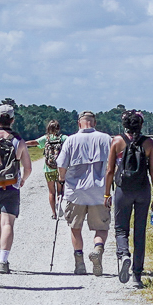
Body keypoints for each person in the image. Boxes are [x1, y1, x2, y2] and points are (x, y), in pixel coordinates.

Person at [105, 110, 153, 289]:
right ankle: (137, 276)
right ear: (141, 125)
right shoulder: (149, 143)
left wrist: (107, 194)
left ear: (125, 125)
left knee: (121, 229)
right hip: (143, 190)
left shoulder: (117, 141)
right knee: (140, 232)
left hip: (123, 189)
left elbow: (109, 171)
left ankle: (124, 255)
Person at [55, 110, 114, 275]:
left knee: (75, 227)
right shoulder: (105, 139)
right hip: (100, 191)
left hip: (76, 191)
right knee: (101, 226)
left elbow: (61, 165)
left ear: (79, 123)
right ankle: (98, 249)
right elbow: (113, 165)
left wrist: (61, 180)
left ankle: (79, 263)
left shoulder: (70, 140)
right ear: (94, 123)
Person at [0, 102, 29, 274]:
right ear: (12, 120)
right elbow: (28, 167)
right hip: (11, 186)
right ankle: (4, 261)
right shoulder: (18, 140)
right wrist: (22, 180)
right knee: (8, 223)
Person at [36, 119, 66, 219]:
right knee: (60, 191)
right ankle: (60, 204)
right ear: (58, 128)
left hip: (48, 169)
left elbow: (35, 142)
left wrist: (21, 143)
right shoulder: (63, 138)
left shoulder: (46, 138)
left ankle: (54, 213)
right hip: (60, 169)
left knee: (51, 192)